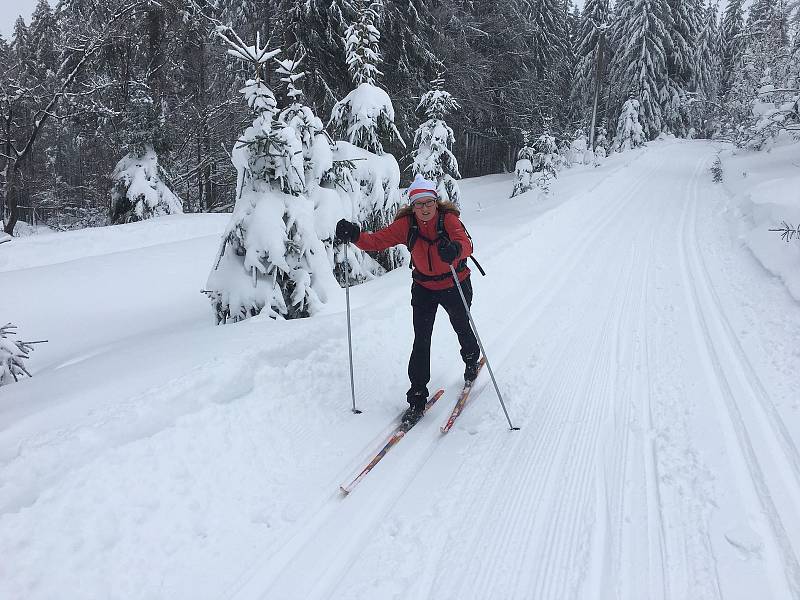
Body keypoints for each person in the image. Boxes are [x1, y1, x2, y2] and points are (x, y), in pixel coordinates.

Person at [336, 174, 481, 425]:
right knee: (421, 340)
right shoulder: (407, 225)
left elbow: (465, 244)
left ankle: (471, 359)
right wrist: (355, 235)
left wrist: (456, 250)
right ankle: (416, 398)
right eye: (419, 204)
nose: (424, 208)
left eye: (428, 203)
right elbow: (377, 241)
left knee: (461, 325)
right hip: (424, 286)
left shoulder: (449, 220)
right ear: (412, 206)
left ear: (436, 202)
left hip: (454, 283)